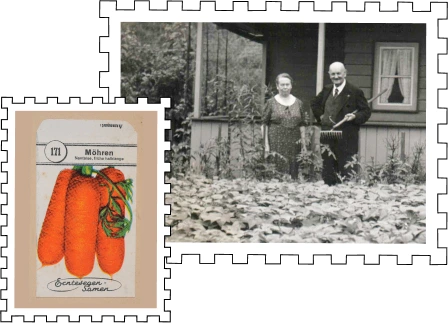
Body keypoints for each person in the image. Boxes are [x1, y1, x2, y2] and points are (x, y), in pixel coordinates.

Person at [310, 62, 371, 186]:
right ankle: (329, 194)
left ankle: (345, 197)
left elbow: (366, 111)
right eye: (333, 74)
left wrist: (354, 116)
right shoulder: (327, 89)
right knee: (328, 166)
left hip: (346, 136)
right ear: (329, 75)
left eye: (338, 73)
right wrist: (321, 116)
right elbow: (314, 103)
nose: (336, 76)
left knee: (346, 168)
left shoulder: (355, 91)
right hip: (328, 133)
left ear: (345, 73)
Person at [261, 73, 308, 180]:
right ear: (277, 86)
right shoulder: (271, 103)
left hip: (294, 144)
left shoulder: (299, 103)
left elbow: (302, 125)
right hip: (276, 142)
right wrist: (266, 145)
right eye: (282, 85)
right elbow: (264, 124)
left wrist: (304, 145)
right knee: (276, 173)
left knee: (293, 173)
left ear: (291, 86)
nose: (285, 87)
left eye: (287, 84)